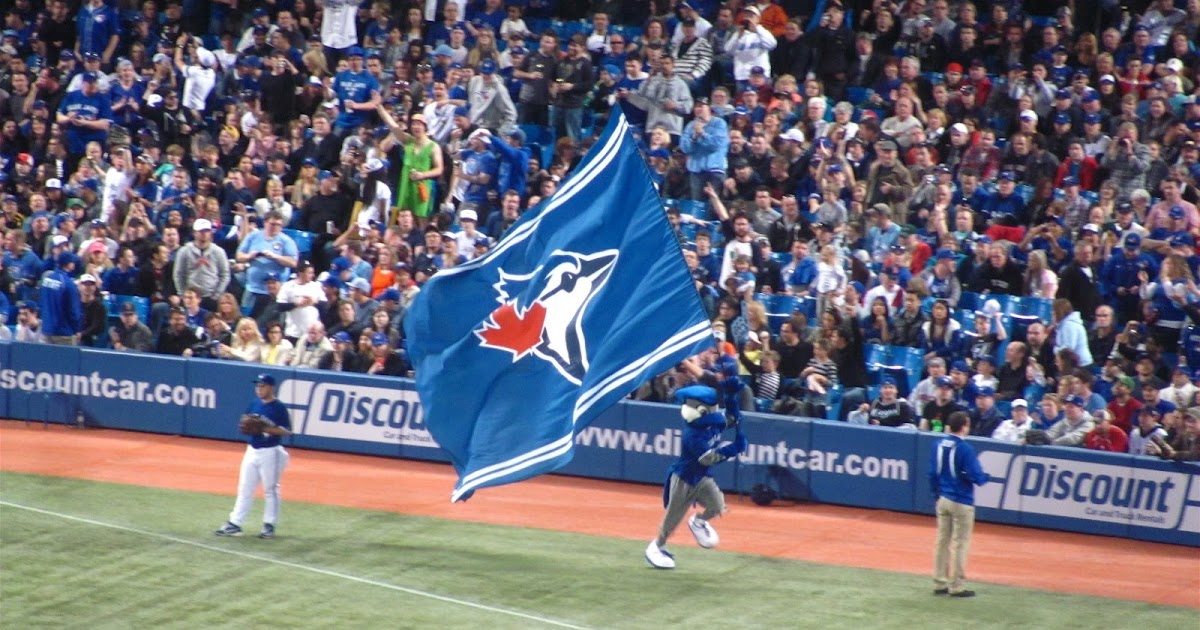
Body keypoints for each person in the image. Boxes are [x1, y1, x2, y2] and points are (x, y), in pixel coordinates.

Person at [645, 383, 747, 570]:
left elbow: (731, 419)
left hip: (702, 478)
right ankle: (656, 547)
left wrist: (732, 399)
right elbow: (708, 459)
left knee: (717, 505)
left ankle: (698, 522)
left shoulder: (713, 423)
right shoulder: (692, 435)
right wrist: (734, 449)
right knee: (673, 518)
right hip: (684, 479)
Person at [215, 374, 292, 539]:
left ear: (271, 387)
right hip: (252, 450)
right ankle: (235, 524)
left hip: (271, 451)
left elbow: (287, 430)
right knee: (244, 488)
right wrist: (248, 425)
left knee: (270, 489)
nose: (259, 389)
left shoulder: (279, 407)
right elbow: (244, 421)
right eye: (257, 386)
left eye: (262, 386)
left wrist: (265, 429)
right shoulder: (254, 404)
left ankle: (269, 525)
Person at [930, 411, 990, 598]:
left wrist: (936, 494)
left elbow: (932, 473)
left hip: (943, 499)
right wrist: (984, 477)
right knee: (960, 543)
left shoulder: (937, 444)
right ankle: (957, 586)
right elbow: (976, 476)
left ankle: (940, 582)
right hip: (961, 500)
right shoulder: (965, 449)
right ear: (964, 426)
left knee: (942, 541)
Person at [38, 251, 83, 345]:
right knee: (67, 359)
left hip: (46, 329)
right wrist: (77, 329)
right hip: (63, 333)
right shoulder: (68, 283)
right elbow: (74, 312)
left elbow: (41, 302)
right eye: (72, 262)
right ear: (68, 264)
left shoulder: (47, 278)